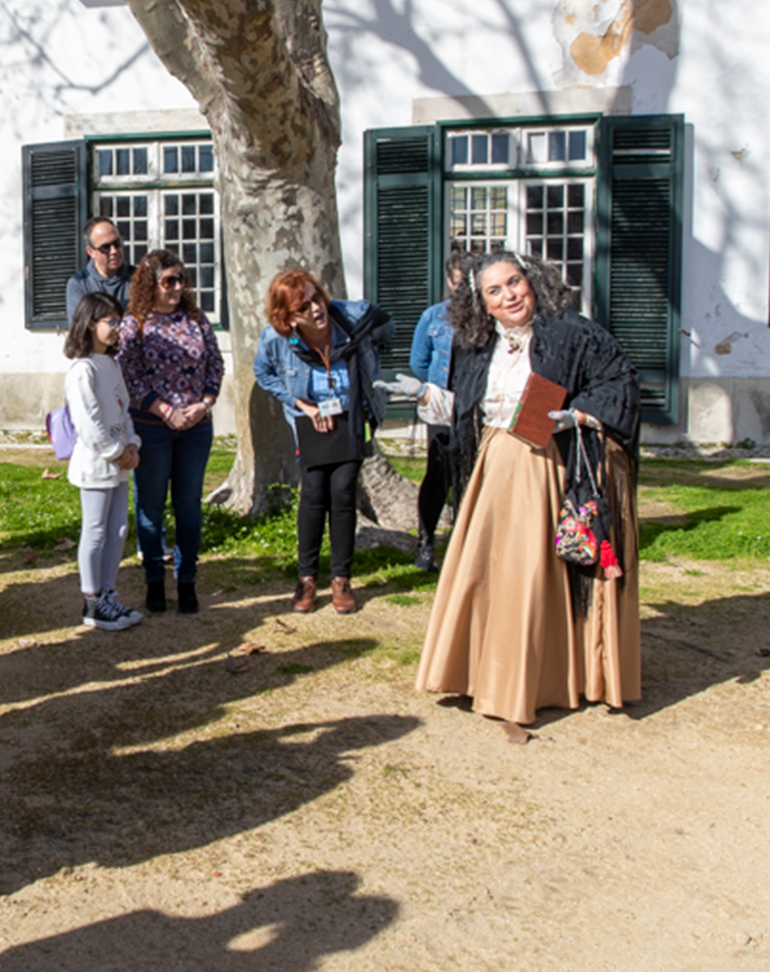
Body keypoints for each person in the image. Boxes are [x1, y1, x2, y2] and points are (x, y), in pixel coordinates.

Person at [387, 251, 642, 735]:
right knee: (488, 575)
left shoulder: (570, 333)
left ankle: (536, 680)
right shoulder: (477, 346)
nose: (510, 296)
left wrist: (581, 415)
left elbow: (621, 382)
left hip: (547, 468)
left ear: (532, 281)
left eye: (515, 282)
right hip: (494, 466)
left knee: (531, 578)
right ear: (480, 304)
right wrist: (423, 395)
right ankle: (484, 672)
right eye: (495, 291)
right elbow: (469, 411)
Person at [253, 270, 396, 615]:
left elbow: (386, 327)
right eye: (304, 307)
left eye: (317, 298)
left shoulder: (352, 316)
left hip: (353, 416)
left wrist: (371, 365)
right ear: (287, 318)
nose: (317, 309)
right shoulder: (275, 339)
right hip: (309, 420)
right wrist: (302, 405)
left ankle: (341, 579)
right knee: (314, 492)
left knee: (344, 489)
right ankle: (306, 579)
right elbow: (264, 373)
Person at [117, 249, 224, 615]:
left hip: (196, 428)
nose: (178, 287)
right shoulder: (135, 323)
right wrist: (163, 410)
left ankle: (187, 581)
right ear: (152, 284)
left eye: (181, 279)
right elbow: (129, 375)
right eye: (169, 281)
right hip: (153, 428)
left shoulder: (195, 318)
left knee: (189, 507)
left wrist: (204, 404)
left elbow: (215, 364)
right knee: (149, 507)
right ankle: (154, 584)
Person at [64, 292, 144, 630]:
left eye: (119, 321)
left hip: (120, 462)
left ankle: (110, 594)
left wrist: (133, 444)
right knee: (95, 531)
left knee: (118, 529)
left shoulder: (110, 364)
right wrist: (116, 451)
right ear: (90, 323)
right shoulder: (82, 370)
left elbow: (123, 410)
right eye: (111, 322)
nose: (117, 328)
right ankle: (92, 601)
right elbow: (89, 422)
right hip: (97, 463)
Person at [408, 250, 475, 572]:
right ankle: (425, 541)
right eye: (459, 283)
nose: (464, 291)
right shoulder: (433, 316)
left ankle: (466, 545)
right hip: (443, 408)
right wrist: (435, 393)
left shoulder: (487, 316)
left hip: (477, 407)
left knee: (472, 476)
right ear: (449, 281)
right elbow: (418, 361)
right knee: (438, 475)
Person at [64, 215, 134, 319]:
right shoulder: (79, 284)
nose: (114, 251)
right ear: (90, 252)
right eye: (105, 247)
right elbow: (80, 330)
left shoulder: (138, 278)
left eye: (117, 243)